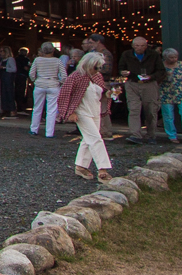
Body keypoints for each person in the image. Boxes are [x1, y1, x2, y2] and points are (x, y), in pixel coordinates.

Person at [59, 53, 113, 182]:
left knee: (88, 139)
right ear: (88, 65)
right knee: (96, 139)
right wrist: (69, 112)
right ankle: (103, 169)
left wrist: (110, 94)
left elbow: (102, 93)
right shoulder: (75, 77)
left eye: (99, 67)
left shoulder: (97, 77)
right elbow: (64, 95)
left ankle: (81, 166)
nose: (98, 70)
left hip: (95, 110)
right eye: (96, 67)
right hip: (81, 112)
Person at [120, 36, 166, 145]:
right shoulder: (126, 54)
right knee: (134, 108)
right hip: (132, 83)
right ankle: (135, 135)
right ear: (132, 46)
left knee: (151, 110)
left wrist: (151, 77)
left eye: (142, 46)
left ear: (146, 46)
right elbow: (121, 67)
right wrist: (124, 72)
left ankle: (151, 135)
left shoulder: (153, 55)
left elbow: (161, 71)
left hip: (149, 84)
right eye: (136, 45)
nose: (139, 48)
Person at [28, 42, 67, 138]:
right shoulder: (57, 61)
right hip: (53, 84)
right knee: (51, 110)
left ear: (42, 50)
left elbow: (31, 74)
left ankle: (34, 129)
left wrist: (35, 80)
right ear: (53, 50)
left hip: (40, 84)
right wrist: (59, 82)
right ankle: (49, 132)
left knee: (37, 108)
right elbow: (64, 75)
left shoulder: (37, 60)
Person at [159, 48, 181, 144]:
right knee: (168, 116)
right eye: (171, 57)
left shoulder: (180, 65)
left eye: (175, 57)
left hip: (180, 93)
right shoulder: (161, 66)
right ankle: (172, 136)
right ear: (166, 57)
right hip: (165, 93)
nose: (174, 59)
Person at [0, 46, 17, 117]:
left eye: (2, 51)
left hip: (8, 78)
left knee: (9, 93)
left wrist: (4, 67)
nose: (0, 53)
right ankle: (5, 109)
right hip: (3, 78)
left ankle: (12, 109)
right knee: (3, 94)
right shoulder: (2, 60)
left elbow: (14, 69)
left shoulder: (10, 59)